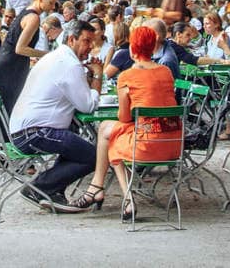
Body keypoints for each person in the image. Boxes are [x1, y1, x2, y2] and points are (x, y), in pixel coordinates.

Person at [73, 25, 179, 218]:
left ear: (132, 48)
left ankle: (124, 197)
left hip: (146, 144)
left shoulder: (127, 76)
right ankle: (98, 187)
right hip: (173, 143)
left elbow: (124, 118)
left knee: (111, 137)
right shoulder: (166, 72)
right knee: (108, 129)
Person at [7, 19, 104, 212]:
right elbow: (88, 106)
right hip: (35, 132)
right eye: (86, 41)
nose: (90, 47)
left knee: (75, 144)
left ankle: (54, 191)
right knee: (95, 156)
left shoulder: (56, 57)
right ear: (71, 39)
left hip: (25, 130)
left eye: (92, 42)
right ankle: (38, 188)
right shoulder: (69, 64)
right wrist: (98, 74)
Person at [0, 0, 59, 115]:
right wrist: (47, 54)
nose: (52, 7)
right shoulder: (33, 18)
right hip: (11, 68)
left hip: (7, 63)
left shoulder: (26, 11)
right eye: (51, 2)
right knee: (12, 111)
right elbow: (20, 48)